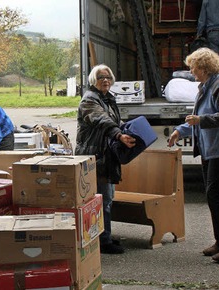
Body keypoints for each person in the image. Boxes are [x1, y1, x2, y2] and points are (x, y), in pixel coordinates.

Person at [167, 48, 219, 263]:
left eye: (193, 67)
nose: (191, 71)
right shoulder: (205, 87)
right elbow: (198, 117)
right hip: (211, 149)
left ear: (203, 68)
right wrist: (180, 130)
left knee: (217, 194)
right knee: (213, 194)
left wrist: (201, 121)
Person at [76, 64, 136, 254]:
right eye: (101, 77)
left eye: (108, 77)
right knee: (101, 199)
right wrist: (119, 135)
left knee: (106, 198)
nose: (106, 80)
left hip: (105, 155)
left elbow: (114, 121)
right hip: (94, 156)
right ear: (94, 80)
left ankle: (104, 235)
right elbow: (101, 120)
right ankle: (103, 241)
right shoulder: (89, 100)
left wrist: (127, 128)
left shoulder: (107, 98)